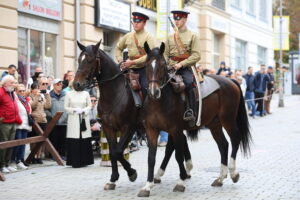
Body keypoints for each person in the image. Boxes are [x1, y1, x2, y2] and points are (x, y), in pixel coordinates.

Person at [164, 10, 201, 126]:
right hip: (171, 67)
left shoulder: (193, 36)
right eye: (175, 19)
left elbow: (196, 55)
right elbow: (165, 53)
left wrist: (181, 64)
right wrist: (168, 64)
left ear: (185, 19)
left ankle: (191, 111)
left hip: (185, 67)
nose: (176, 21)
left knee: (189, 83)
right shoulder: (170, 37)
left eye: (179, 19)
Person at [115, 12, 155, 97]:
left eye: (139, 21)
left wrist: (133, 62)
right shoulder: (128, 36)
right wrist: (120, 60)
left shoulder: (149, 37)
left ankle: (145, 109)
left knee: (145, 88)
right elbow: (118, 48)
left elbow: (149, 55)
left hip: (143, 69)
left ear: (144, 23)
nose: (135, 23)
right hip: (128, 68)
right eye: (134, 21)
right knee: (116, 85)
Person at [64, 83, 94, 168]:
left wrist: (83, 110)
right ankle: (75, 161)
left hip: (84, 118)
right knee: (74, 139)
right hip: (73, 119)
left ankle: (85, 160)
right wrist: (74, 110)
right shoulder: (68, 94)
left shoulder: (86, 93)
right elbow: (66, 107)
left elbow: (89, 105)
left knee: (84, 138)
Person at [0, 75, 22, 173]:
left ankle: (7, 163)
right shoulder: (1, 92)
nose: (13, 85)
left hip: (13, 121)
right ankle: (1, 165)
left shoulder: (12, 92)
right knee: (4, 143)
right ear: (5, 83)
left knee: (11, 143)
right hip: (4, 122)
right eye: (11, 83)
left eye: (14, 83)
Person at [28, 78, 52, 164]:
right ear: (32, 89)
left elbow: (48, 106)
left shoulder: (41, 96)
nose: (38, 90)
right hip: (35, 120)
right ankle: (32, 156)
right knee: (33, 140)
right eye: (36, 88)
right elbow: (32, 106)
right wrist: (36, 97)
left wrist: (47, 95)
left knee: (41, 140)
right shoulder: (29, 97)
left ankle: (39, 156)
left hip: (43, 120)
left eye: (39, 88)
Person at [46, 79, 68, 159]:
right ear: (54, 85)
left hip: (64, 121)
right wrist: (51, 116)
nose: (59, 85)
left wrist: (66, 115)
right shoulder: (49, 95)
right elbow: (45, 108)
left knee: (63, 139)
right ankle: (53, 155)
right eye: (58, 84)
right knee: (54, 139)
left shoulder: (66, 95)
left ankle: (63, 154)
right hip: (53, 121)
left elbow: (68, 106)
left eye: (61, 84)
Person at [11, 84, 32, 169]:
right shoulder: (15, 99)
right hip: (18, 124)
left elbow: (29, 111)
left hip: (25, 124)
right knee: (17, 144)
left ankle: (20, 160)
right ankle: (13, 161)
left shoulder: (25, 100)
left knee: (23, 144)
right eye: (20, 91)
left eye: (23, 91)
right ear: (16, 91)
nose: (22, 92)